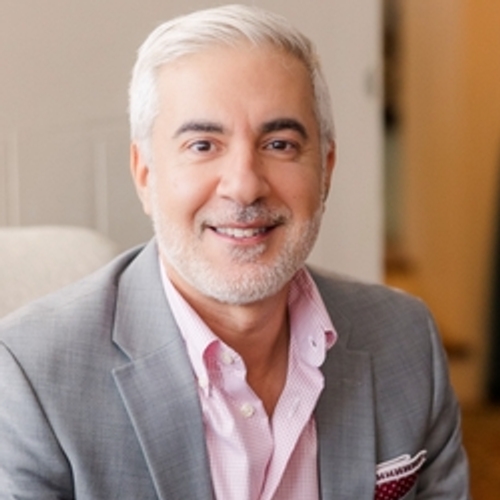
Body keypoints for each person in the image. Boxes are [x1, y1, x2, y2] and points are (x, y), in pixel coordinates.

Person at [0, 4, 470, 499]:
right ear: (144, 173)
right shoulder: (31, 375)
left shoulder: (406, 339)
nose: (245, 186)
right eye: (203, 145)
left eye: (280, 144)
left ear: (326, 169)